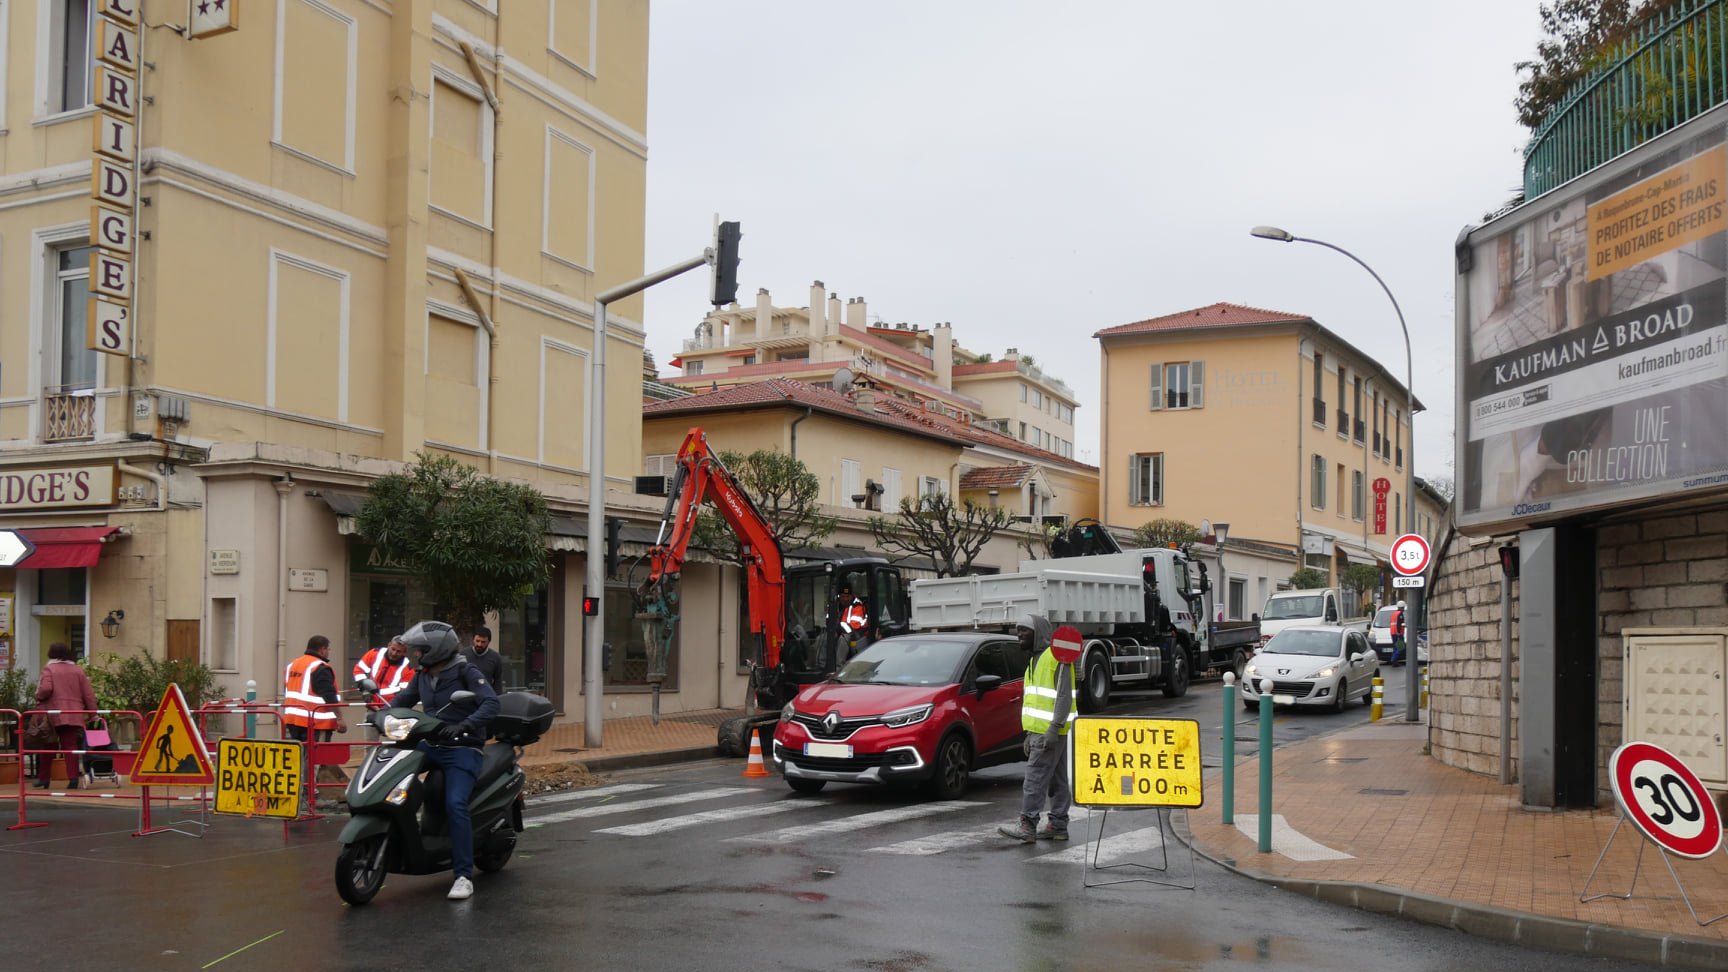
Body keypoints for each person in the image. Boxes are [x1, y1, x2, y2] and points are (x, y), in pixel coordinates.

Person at [391, 620, 500, 901]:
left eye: (419, 650)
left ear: (436, 650)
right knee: (394, 775)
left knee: (455, 803)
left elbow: (490, 703)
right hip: (432, 743)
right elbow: (403, 700)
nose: (415, 655)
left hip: (462, 748)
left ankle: (463, 875)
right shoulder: (423, 675)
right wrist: (380, 713)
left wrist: (465, 724)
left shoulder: (466, 670)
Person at [1000, 613, 1075, 842]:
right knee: (1058, 780)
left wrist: (1054, 727)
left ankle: (1028, 825)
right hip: (1045, 731)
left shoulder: (1056, 656)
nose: (1019, 634)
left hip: (1049, 732)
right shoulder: (1036, 659)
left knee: (1034, 779)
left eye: (1024, 630)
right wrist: (1029, 734)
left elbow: (1064, 695)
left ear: (1039, 633)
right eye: (1017, 630)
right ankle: (1058, 825)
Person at [284, 634, 348, 795]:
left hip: (292, 718)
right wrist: (339, 719)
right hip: (315, 720)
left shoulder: (293, 665)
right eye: (328, 649)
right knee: (313, 757)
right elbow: (329, 695)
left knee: (298, 755)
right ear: (322, 649)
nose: (328, 652)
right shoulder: (320, 667)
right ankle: (308, 791)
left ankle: (297, 788)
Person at [33, 642, 96, 789]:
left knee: (48, 746)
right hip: (73, 714)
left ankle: (44, 779)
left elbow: (46, 689)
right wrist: (93, 714)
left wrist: (38, 695)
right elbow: (88, 695)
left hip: (52, 714)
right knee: (71, 747)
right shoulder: (78, 670)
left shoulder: (49, 668)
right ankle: (73, 779)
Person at [352, 637, 413, 708]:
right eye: (393, 649)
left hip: (392, 708)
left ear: (404, 652)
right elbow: (358, 670)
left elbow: (404, 692)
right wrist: (364, 688)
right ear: (389, 645)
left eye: (398, 651)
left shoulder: (408, 667)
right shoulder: (375, 653)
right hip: (372, 705)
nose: (394, 653)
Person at [1390, 600, 1407, 666]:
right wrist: (1399, 632)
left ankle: (1395, 661)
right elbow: (1398, 624)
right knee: (1400, 647)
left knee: (1395, 647)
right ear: (1402, 607)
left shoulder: (1394, 613)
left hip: (1393, 633)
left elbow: (1393, 623)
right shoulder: (1400, 614)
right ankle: (1394, 659)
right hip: (1398, 633)